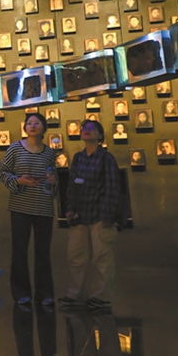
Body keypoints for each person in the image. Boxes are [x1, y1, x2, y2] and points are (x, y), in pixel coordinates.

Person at [60, 120, 122, 312]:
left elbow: (112, 188)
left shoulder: (106, 158)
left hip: (99, 214)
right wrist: (69, 209)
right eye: (84, 128)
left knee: (101, 257)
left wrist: (108, 215)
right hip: (80, 214)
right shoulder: (78, 158)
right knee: (75, 255)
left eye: (92, 128)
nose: (87, 131)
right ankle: (75, 293)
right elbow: (72, 185)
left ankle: (101, 296)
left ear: (101, 136)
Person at [0, 112, 59, 306]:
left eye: (37, 123)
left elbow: (53, 179)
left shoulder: (49, 152)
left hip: (43, 207)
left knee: (43, 252)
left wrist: (52, 180)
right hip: (20, 206)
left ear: (43, 128)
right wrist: (18, 180)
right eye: (29, 123)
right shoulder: (15, 148)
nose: (32, 126)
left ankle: (44, 293)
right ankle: (21, 293)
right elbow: (3, 173)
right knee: (19, 251)